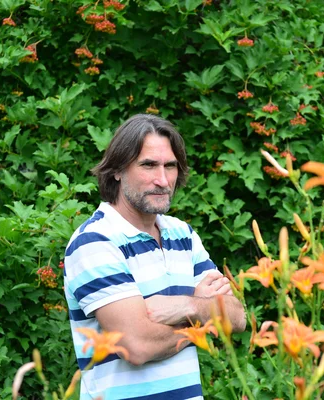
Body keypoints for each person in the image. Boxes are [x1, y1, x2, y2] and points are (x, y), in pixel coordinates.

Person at [63, 114, 246, 400]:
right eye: (148, 165)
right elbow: (137, 346)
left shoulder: (182, 235)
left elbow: (236, 316)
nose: (162, 180)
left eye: (170, 166)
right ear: (117, 170)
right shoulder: (95, 242)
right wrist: (205, 311)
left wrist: (184, 305)